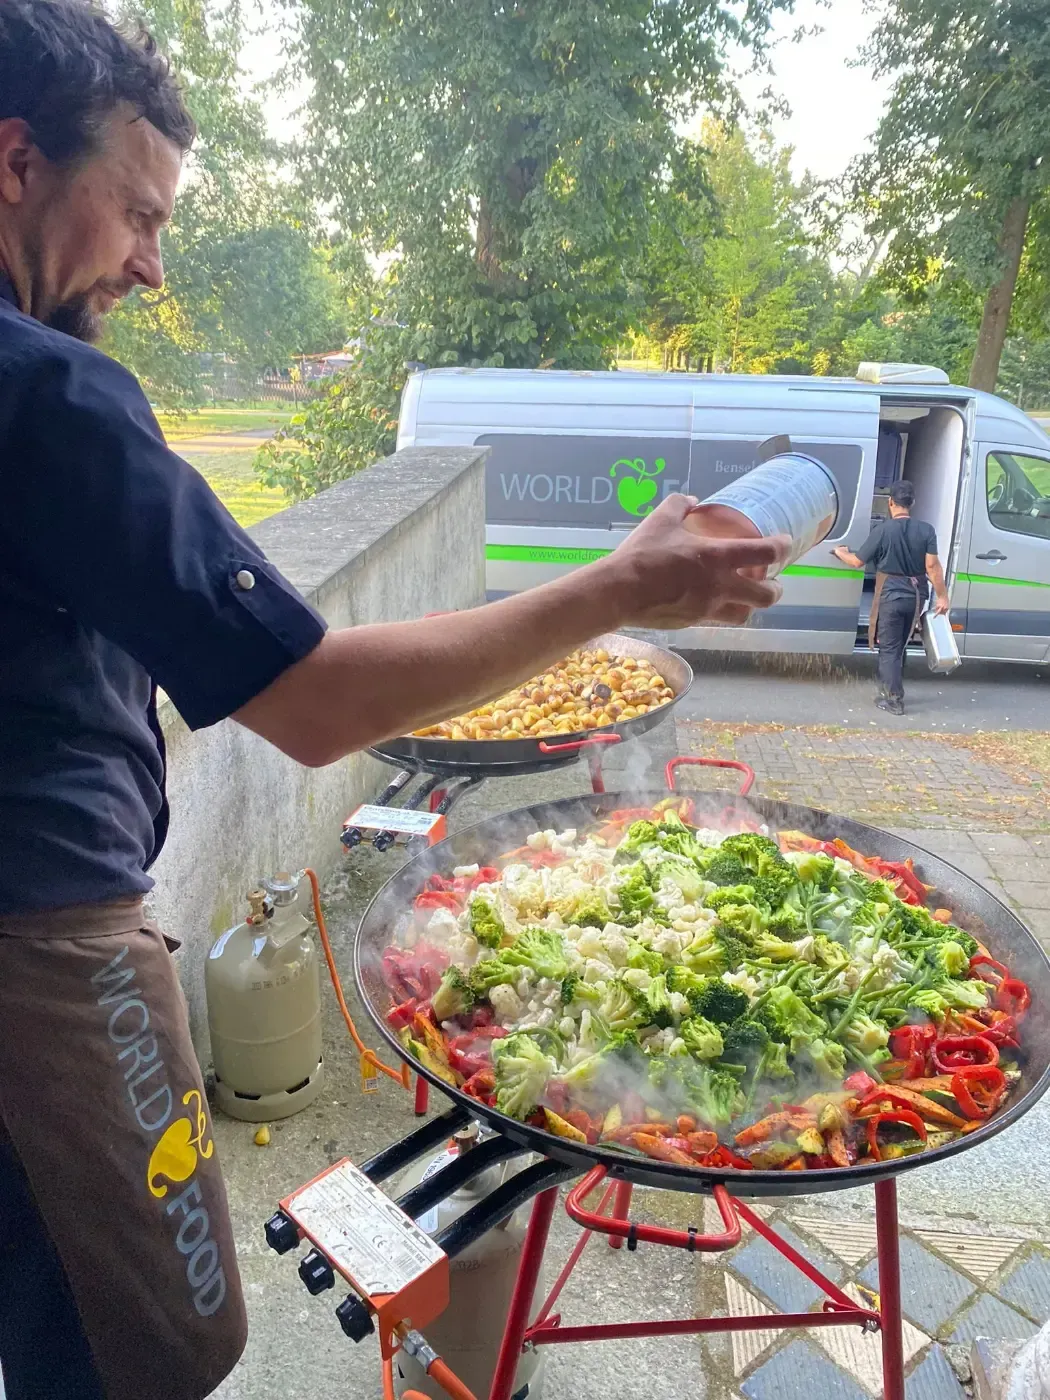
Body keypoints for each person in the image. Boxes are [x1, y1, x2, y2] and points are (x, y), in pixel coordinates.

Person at [0, 4, 787, 1397]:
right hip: (41, 952)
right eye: (135, 213)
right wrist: (618, 586)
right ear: (15, 164)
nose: (154, 266)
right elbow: (306, 703)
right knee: (159, 1346)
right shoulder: (45, 401)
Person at [832, 479, 950, 716]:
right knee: (901, 644)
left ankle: (893, 700)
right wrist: (943, 597)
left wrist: (840, 552)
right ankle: (895, 690)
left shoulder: (882, 530)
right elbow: (932, 566)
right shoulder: (926, 530)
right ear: (912, 503)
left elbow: (857, 562)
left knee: (889, 648)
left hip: (891, 595)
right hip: (916, 597)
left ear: (890, 503)